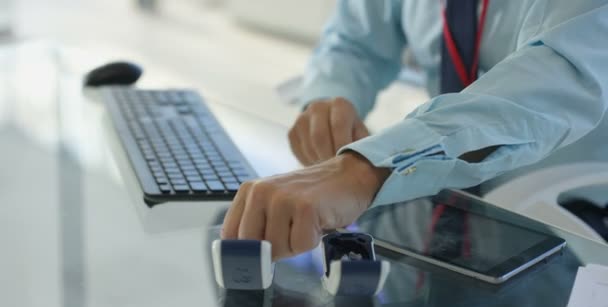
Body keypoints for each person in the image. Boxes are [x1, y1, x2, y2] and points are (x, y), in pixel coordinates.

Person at [222, 0, 608, 259]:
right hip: (441, 208)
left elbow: (555, 79)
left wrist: (365, 170)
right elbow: (355, 38)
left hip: (573, 232)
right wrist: (329, 99)